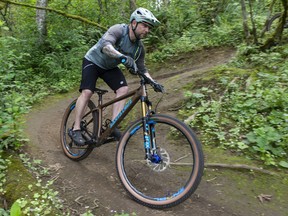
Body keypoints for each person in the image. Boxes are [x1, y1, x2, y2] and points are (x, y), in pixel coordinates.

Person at [69, 7, 163, 146]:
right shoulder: (118, 30)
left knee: (123, 89)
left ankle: (112, 126)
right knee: (87, 91)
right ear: (133, 23)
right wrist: (123, 57)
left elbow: (142, 68)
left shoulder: (139, 48)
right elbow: (105, 47)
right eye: (144, 25)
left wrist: (153, 82)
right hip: (93, 61)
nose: (147, 30)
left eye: (149, 27)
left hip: (109, 67)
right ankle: (76, 128)